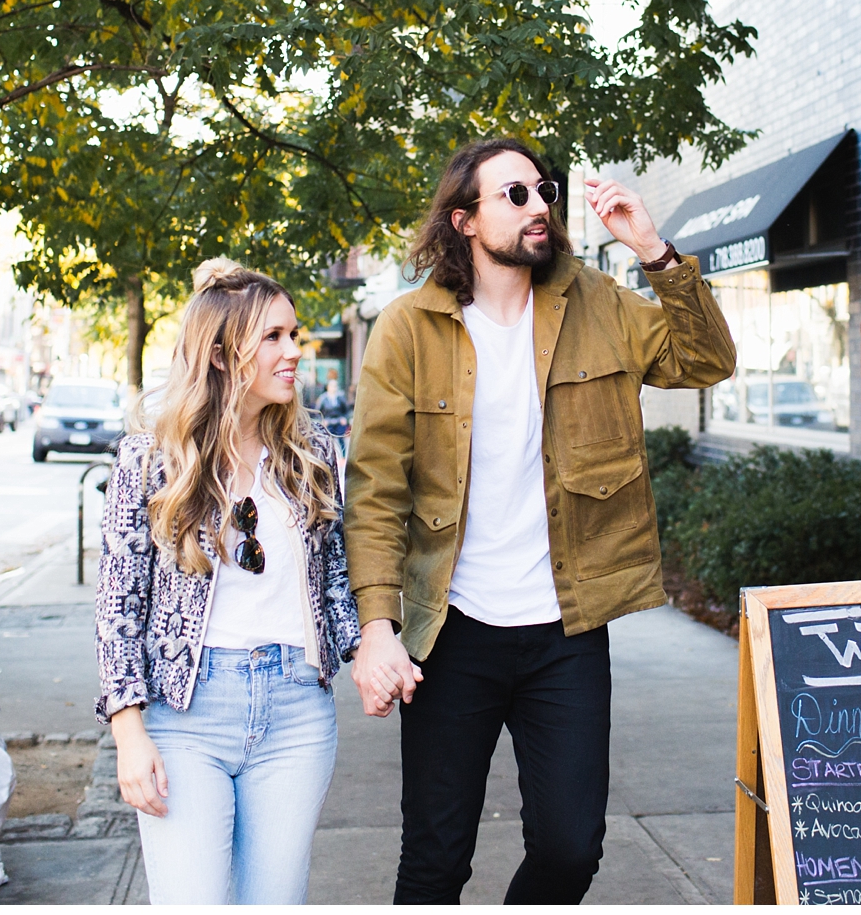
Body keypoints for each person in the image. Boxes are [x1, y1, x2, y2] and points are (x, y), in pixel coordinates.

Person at [345, 139, 737, 903]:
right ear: (464, 219)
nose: (538, 207)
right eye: (515, 195)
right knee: (434, 858)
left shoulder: (596, 302)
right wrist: (376, 625)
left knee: (570, 847)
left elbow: (706, 360)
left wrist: (653, 251)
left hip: (566, 627)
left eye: (543, 190)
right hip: (452, 631)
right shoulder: (407, 328)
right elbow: (375, 489)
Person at [95, 260, 360, 905]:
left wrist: (371, 649)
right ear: (220, 354)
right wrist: (129, 734)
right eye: (273, 337)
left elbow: (336, 582)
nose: (293, 350)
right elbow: (117, 604)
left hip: (297, 709)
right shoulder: (153, 457)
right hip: (185, 712)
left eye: (292, 334)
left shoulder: (312, 453)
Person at [313, 377, 351, 442]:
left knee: (341, 440)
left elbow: (346, 410)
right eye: (332, 386)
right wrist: (322, 420)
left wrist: (344, 418)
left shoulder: (340, 397)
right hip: (328, 422)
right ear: (328, 387)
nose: (334, 388)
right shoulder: (323, 398)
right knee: (327, 440)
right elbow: (317, 412)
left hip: (339, 421)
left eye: (335, 386)